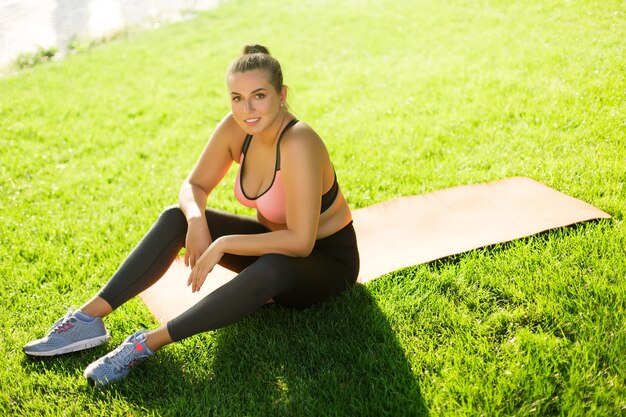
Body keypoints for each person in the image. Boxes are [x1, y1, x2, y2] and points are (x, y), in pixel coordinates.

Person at [23, 44, 360, 387]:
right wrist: (198, 221)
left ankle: (144, 345)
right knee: (176, 218)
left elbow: (301, 243)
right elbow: (194, 185)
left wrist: (223, 242)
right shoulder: (236, 129)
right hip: (271, 248)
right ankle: (89, 318)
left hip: (326, 262)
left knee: (272, 266)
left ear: (281, 95)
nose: (247, 109)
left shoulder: (298, 141)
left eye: (259, 95)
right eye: (237, 98)